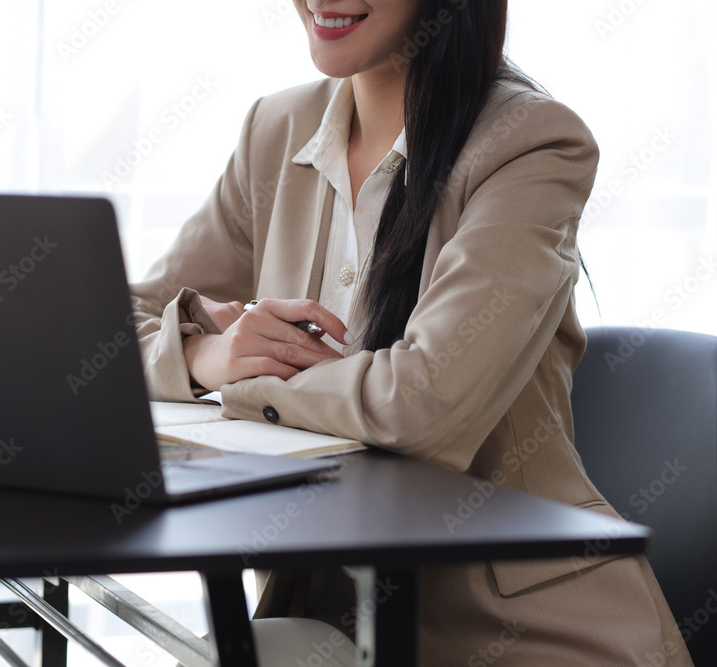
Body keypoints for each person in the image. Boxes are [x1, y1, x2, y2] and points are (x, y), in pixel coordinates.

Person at [130, 0, 692, 664]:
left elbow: (424, 400)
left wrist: (246, 375)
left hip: (527, 636)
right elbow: (107, 333)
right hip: (335, 618)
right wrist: (203, 352)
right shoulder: (277, 130)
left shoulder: (530, 143)